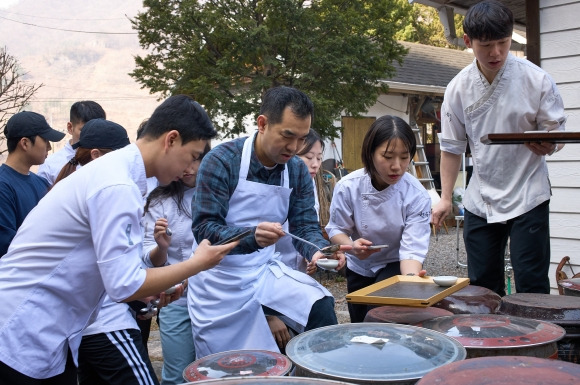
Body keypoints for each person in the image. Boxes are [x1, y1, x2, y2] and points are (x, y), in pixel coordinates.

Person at [0, 95, 238, 384]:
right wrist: (197, 264)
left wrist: (151, 288)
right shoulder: (117, 184)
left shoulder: (120, 174)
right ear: (171, 140)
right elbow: (124, 284)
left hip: (48, 330)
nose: (189, 168)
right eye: (192, 155)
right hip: (22, 329)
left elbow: (118, 272)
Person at [188, 86, 349, 358]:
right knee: (235, 365)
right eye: (287, 136)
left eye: (301, 138)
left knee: (319, 306)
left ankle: (320, 374)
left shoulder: (296, 169)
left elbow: (304, 226)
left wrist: (320, 252)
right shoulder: (222, 161)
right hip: (220, 280)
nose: (295, 148)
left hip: (264, 272)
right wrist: (252, 236)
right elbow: (204, 229)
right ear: (262, 123)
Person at [430, 0, 567, 297]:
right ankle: (490, 341)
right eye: (487, 45)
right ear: (468, 42)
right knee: (482, 285)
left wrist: (549, 143)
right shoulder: (458, 88)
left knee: (531, 281)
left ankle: (538, 342)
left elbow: (555, 132)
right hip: (482, 195)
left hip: (529, 190)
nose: (496, 53)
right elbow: (452, 148)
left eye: (503, 43)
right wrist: (444, 198)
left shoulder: (536, 79)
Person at [51, 118, 158, 385]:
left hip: (78, 326)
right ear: (97, 155)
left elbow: (101, 265)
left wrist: (138, 300)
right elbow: (117, 275)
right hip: (105, 325)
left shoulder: (71, 186)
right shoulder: (108, 191)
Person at [325, 115, 431, 323]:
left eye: (404, 156)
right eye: (388, 156)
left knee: (378, 315)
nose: (397, 166)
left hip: (395, 262)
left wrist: (409, 280)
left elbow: (412, 248)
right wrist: (351, 246)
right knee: (359, 324)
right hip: (358, 265)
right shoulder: (348, 186)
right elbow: (336, 229)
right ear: (370, 153)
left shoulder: (416, 194)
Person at [141, 142, 210, 385]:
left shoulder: (218, 194)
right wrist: (161, 247)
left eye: (196, 159)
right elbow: (148, 259)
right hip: (176, 296)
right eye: (186, 160)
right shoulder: (161, 200)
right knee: (177, 373)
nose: (189, 168)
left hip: (215, 296)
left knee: (214, 369)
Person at [0, 111, 65, 256]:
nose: (49, 147)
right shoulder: (3, 187)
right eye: (45, 140)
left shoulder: (41, 183)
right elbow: (6, 246)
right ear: (25, 143)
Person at [37, 101, 106, 186]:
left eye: (97, 131)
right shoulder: (50, 166)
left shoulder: (108, 161)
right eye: (84, 130)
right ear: (70, 128)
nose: (92, 135)